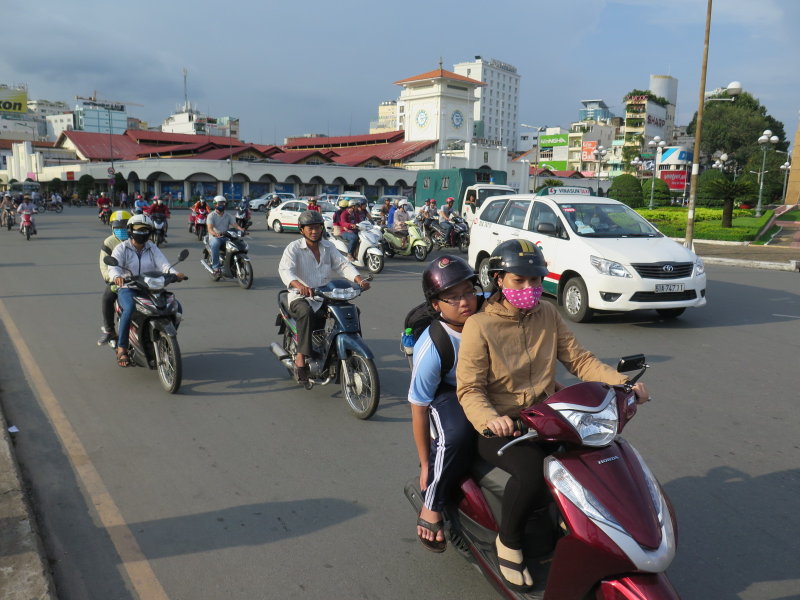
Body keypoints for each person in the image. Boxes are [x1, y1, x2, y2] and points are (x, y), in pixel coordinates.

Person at [456, 239, 651, 592]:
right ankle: (510, 542)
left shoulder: (548, 313)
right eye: (520, 280)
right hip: (503, 426)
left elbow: (579, 360)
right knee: (532, 471)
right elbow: (470, 389)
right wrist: (490, 419)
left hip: (549, 417)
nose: (530, 288)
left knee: (592, 458)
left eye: (535, 280)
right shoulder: (480, 326)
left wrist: (623, 384)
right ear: (500, 280)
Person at [410, 255, 480, 552]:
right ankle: (433, 503)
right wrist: (425, 464)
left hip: (489, 382)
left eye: (468, 292)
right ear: (436, 305)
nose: (464, 302)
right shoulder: (432, 346)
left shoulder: (488, 308)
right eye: (453, 297)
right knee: (456, 435)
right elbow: (418, 407)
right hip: (448, 391)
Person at [278, 210, 370, 382]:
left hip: (324, 295)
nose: (314, 231)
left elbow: (342, 265)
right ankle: (300, 358)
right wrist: (300, 286)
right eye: (310, 228)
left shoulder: (329, 247)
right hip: (300, 296)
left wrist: (359, 279)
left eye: (318, 228)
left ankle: (352, 349)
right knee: (306, 312)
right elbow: (285, 271)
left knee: (351, 310)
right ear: (302, 230)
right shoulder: (294, 248)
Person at [108, 215, 186, 367]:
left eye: (146, 230)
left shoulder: (152, 247)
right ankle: (122, 347)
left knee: (176, 308)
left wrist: (175, 274)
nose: (142, 233)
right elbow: (113, 267)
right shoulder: (122, 248)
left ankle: (167, 339)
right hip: (129, 288)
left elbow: (164, 265)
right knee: (129, 309)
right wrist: (117, 276)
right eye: (139, 230)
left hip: (152, 287)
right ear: (130, 231)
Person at [97, 210, 132, 346]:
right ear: (112, 228)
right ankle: (110, 330)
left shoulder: (136, 239)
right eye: (117, 227)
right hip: (117, 280)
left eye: (124, 226)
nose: (121, 230)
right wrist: (111, 278)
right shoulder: (109, 242)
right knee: (107, 297)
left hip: (138, 279)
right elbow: (103, 264)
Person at [207, 195, 245, 278]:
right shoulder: (211, 215)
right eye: (220, 203)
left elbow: (235, 225)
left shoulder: (228, 215)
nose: (222, 205)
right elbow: (209, 228)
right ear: (215, 204)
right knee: (215, 244)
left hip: (226, 236)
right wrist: (215, 234)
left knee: (237, 244)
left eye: (223, 203)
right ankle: (216, 268)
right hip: (216, 237)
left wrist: (241, 230)